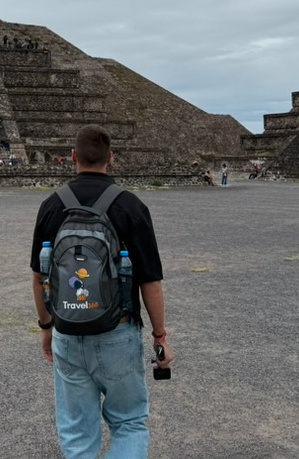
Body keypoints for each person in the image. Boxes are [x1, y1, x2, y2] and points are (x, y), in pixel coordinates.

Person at [31, 125, 173, 458]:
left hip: (67, 330)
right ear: (112, 158)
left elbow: (39, 277)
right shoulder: (130, 206)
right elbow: (150, 281)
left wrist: (46, 326)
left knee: (78, 434)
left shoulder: (51, 206)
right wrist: (160, 337)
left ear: (72, 157)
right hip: (118, 330)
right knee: (130, 423)